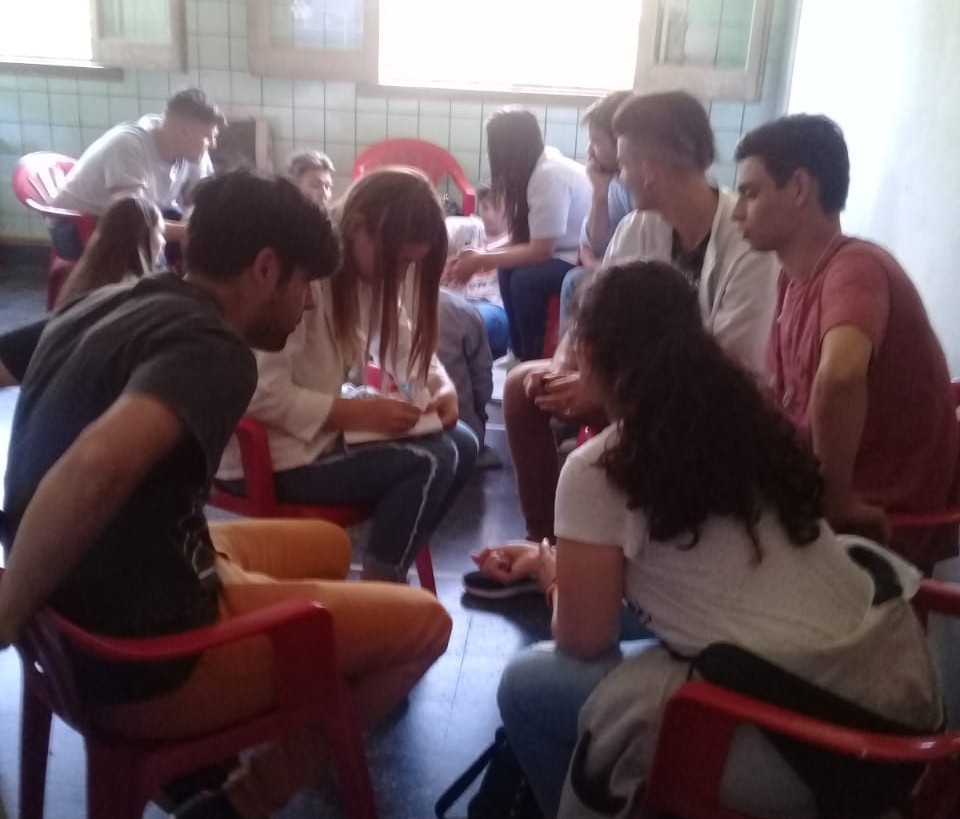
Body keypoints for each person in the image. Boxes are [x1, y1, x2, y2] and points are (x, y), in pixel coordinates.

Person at [0, 170, 452, 819]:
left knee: (327, 545)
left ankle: (222, 739)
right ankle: (241, 800)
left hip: (79, 619)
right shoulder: (214, 350)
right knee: (427, 625)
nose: (307, 306)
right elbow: (96, 465)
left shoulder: (110, 300)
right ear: (265, 268)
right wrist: (7, 610)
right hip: (143, 660)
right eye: (303, 285)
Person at [486, 262, 942, 819]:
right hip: (892, 696)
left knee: (526, 686)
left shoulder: (597, 468)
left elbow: (583, 640)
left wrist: (548, 569)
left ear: (587, 353)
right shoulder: (753, 422)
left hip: (807, 749)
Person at [489, 91, 778, 558]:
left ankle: (595, 551)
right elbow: (592, 313)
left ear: (649, 170)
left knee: (581, 419)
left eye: (621, 164)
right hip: (630, 387)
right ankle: (545, 544)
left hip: (708, 407)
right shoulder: (639, 227)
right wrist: (565, 364)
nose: (619, 176)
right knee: (526, 386)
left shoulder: (748, 245)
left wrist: (605, 388)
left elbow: (730, 363)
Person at [217, 168, 479, 583]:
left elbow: (400, 343)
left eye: (410, 264)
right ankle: (382, 581)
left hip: (316, 436)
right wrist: (356, 413)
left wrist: (437, 384)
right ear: (357, 227)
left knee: (464, 441)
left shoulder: (362, 272)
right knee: (431, 460)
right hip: (268, 455)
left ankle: (390, 564)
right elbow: (259, 393)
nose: (400, 274)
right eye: (398, 260)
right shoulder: (300, 281)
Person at [734, 114, 957, 572]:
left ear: (800, 188)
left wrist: (835, 499)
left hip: (876, 511)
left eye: (751, 193)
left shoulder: (855, 268)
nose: (737, 212)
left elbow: (840, 374)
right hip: (824, 490)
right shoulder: (794, 280)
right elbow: (788, 400)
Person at [447, 108, 591, 361]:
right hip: (562, 250)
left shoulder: (547, 176)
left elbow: (540, 251)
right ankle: (518, 351)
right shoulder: (538, 166)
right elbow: (526, 237)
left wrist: (481, 259)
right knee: (507, 270)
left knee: (525, 279)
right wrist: (480, 253)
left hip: (582, 258)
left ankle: (532, 359)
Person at [0, 195, 167, 388]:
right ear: (143, 240)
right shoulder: (132, 297)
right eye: (160, 233)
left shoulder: (88, 281)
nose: (164, 242)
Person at [50, 88, 224, 259]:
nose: (213, 144)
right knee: (151, 250)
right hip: (76, 226)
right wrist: (192, 231)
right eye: (208, 137)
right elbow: (131, 221)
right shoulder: (128, 146)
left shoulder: (193, 151)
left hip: (132, 218)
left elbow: (199, 200)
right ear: (184, 131)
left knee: (207, 240)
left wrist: (192, 223)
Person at [559, 90, 635, 333]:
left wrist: (598, 264)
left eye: (596, 141)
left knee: (574, 281)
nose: (589, 150)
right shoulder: (613, 181)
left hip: (634, 277)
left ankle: (576, 353)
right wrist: (599, 194)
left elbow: (635, 256)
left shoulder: (641, 186)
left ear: (622, 142)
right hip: (611, 267)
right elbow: (591, 243)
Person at [443, 183, 511, 359]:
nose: (489, 214)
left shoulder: (518, 242)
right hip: (452, 303)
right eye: (485, 207)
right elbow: (443, 231)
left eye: (496, 207)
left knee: (462, 323)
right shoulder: (469, 228)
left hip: (493, 307)